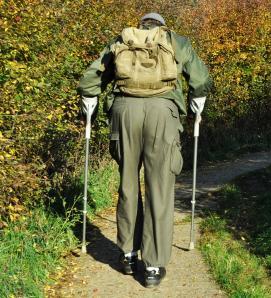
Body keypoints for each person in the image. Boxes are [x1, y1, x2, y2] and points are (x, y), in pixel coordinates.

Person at [77, 12, 211, 288]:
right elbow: (199, 77)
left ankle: (127, 254)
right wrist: (197, 100)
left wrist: (89, 98)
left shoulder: (123, 40)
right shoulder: (176, 41)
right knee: (159, 188)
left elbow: (93, 77)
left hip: (125, 113)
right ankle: (153, 266)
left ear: (142, 25)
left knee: (128, 183)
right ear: (162, 25)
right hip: (162, 113)